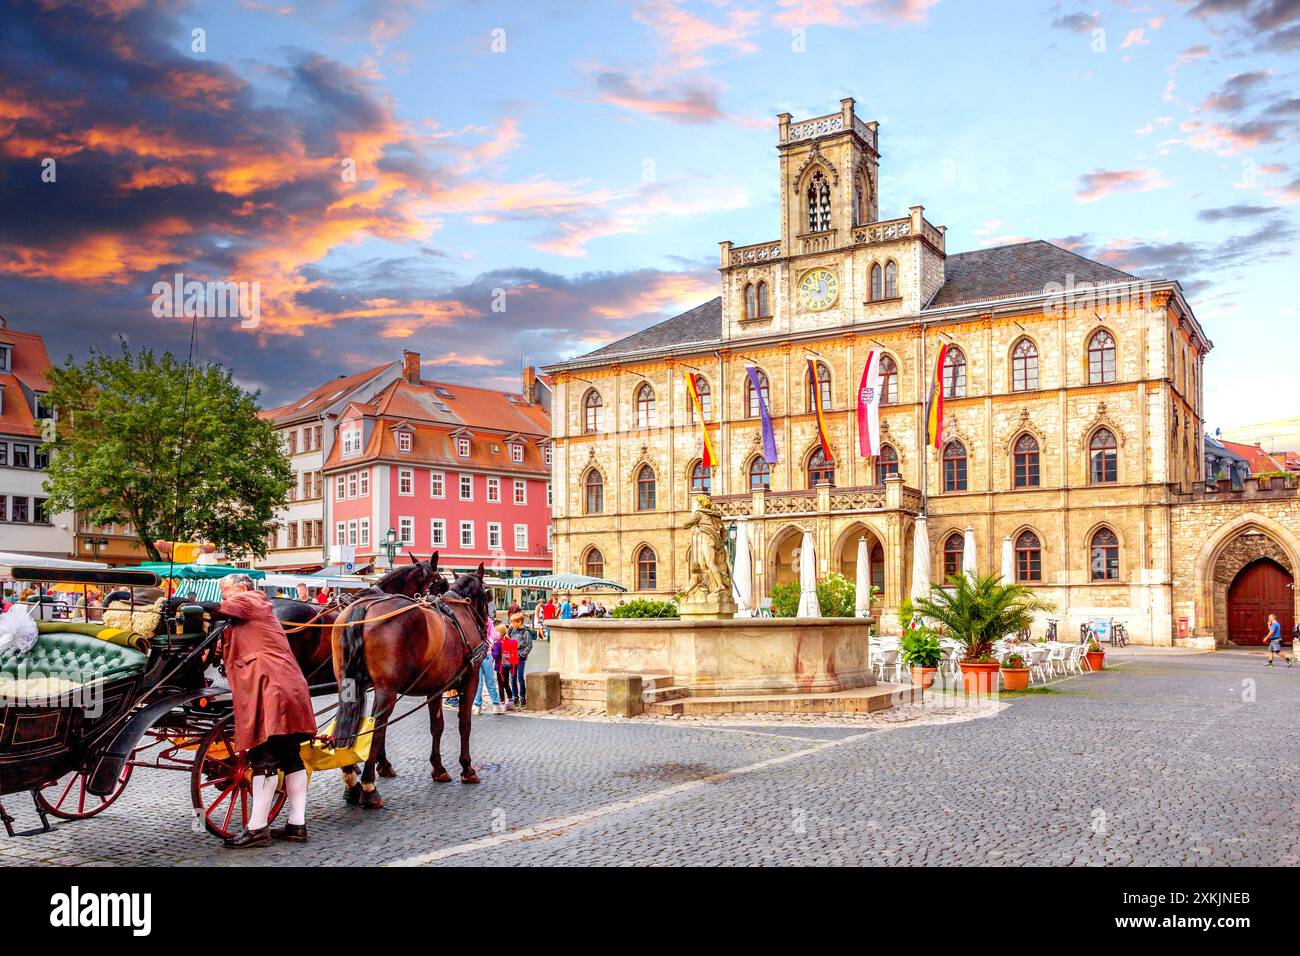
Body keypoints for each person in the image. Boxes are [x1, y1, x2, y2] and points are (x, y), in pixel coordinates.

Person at [203, 574, 316, 848]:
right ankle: (296, 825)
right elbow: (225, 649)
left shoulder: (252, 600)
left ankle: (257, 829)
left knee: (263, 757)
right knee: (291, 757)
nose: (223, 597)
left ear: (241, 588)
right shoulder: (249, 617)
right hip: (286, 689)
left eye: (225, 591)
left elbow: (220, 608)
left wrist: (187, 603)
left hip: (272, 691)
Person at [473, 616, 504, 715]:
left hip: (476, 655)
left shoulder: (473, 619)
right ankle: (496, 705)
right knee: (490, 681)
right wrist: (501, 633)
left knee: (478, 683)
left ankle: (477, 706)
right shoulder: (488, 620)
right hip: (487, 654)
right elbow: (495, 636)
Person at [509, 611, 532, 706]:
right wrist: (509, 630)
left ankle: (522, 696)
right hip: (512, 656)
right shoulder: (512, 630)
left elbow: (529, 645)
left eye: (513, 622)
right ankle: (515, 696)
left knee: (520, 677)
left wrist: (522, 654)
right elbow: (507, 639)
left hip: (520, 657)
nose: (512, 624)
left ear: (519, 622)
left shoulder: (525, 632)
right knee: (513, 677)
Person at [498, 622, 519, 710]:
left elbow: (496, 655)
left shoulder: (499, 643)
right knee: (506, 683)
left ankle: (502, 703)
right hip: (508, 665)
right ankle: (510, 702)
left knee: (500, 685)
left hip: (500, 667)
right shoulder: (509, 641)